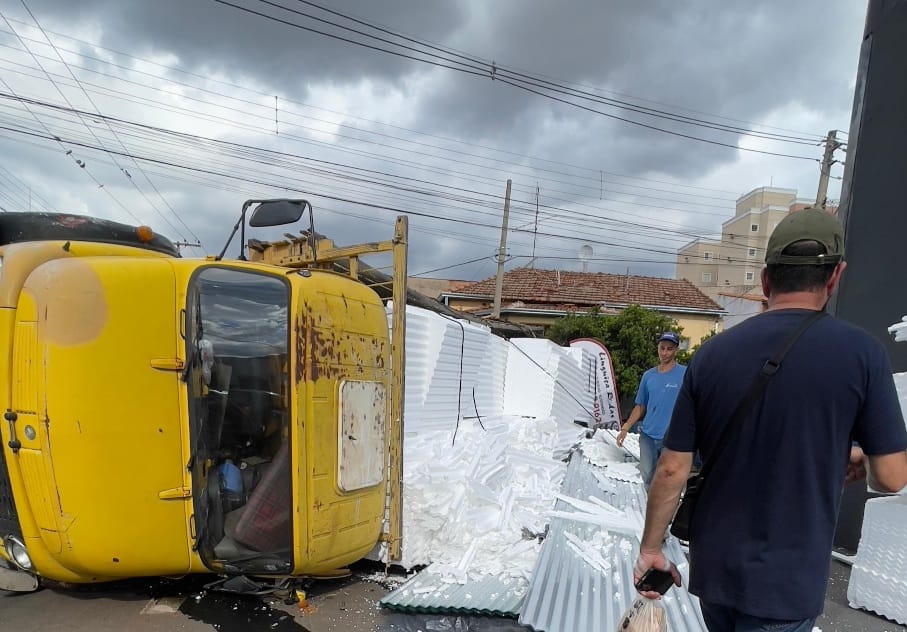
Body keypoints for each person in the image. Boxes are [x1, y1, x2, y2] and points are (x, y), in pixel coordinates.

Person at [634, 208, 907, 631]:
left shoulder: (711, 355)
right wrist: (852, 455)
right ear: (835, 276)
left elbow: (671, 468)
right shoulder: (863, 355)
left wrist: (651, 548)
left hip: (717, 573)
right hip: (787, 582)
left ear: (766, 280)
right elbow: (892, 476)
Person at [616, 332, 686, 488]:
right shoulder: (648, 376)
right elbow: (640, 406)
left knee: (669, 479)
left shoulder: (685, 374)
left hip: (671, 438)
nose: (665, 353)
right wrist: (625, 428)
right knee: (647, 477)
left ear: (676, 350)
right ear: (657, 349)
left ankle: (668, 511)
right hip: (647, 437)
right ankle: (648, 509)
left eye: (669, 349)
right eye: (662, 348)